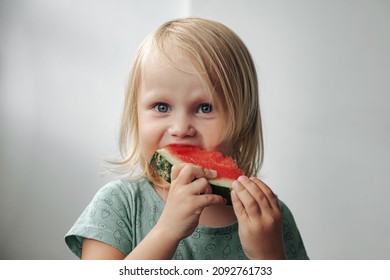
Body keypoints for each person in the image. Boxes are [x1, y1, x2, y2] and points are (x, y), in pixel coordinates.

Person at [65, 17, 309, 260]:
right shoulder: (119, 205)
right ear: (135, 114)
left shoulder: (268, 215)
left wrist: (270, 255)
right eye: (161, 107)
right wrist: (167, 231)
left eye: (204, 108)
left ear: (243, 120)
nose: (181, 129)